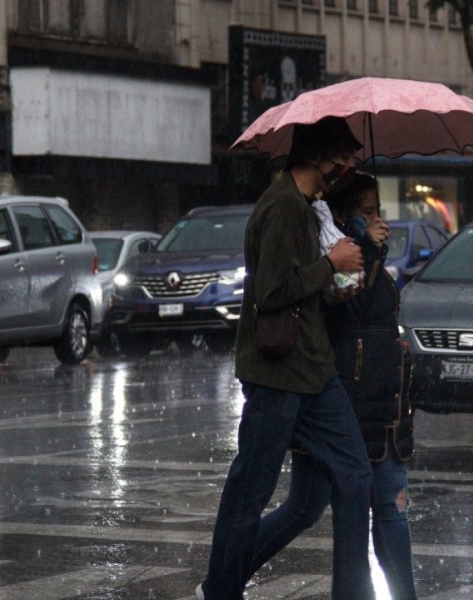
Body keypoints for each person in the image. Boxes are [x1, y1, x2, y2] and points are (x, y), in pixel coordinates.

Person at [196, 117, 375, 600]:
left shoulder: (309, 207)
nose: (348, 167)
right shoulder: (280, 208)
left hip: (314, 373)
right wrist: (328, 266)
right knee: (249, 493)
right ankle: (221, 591)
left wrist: (341, 279)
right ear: (318, 156)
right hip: (277, 373)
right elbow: (273, 291)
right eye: (343, 157)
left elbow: (307, 289)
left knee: (355, 478)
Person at [248, 172, 418, 599]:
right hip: (345, 398)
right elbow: (352, 305)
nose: (376, 220)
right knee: (304, 507)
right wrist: (367, 250)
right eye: (366, 212)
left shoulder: (362, 255)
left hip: (385, 404)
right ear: (342, 216)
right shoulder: (337, 256)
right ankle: (224, 575)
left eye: (379, 211)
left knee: (390, 511)